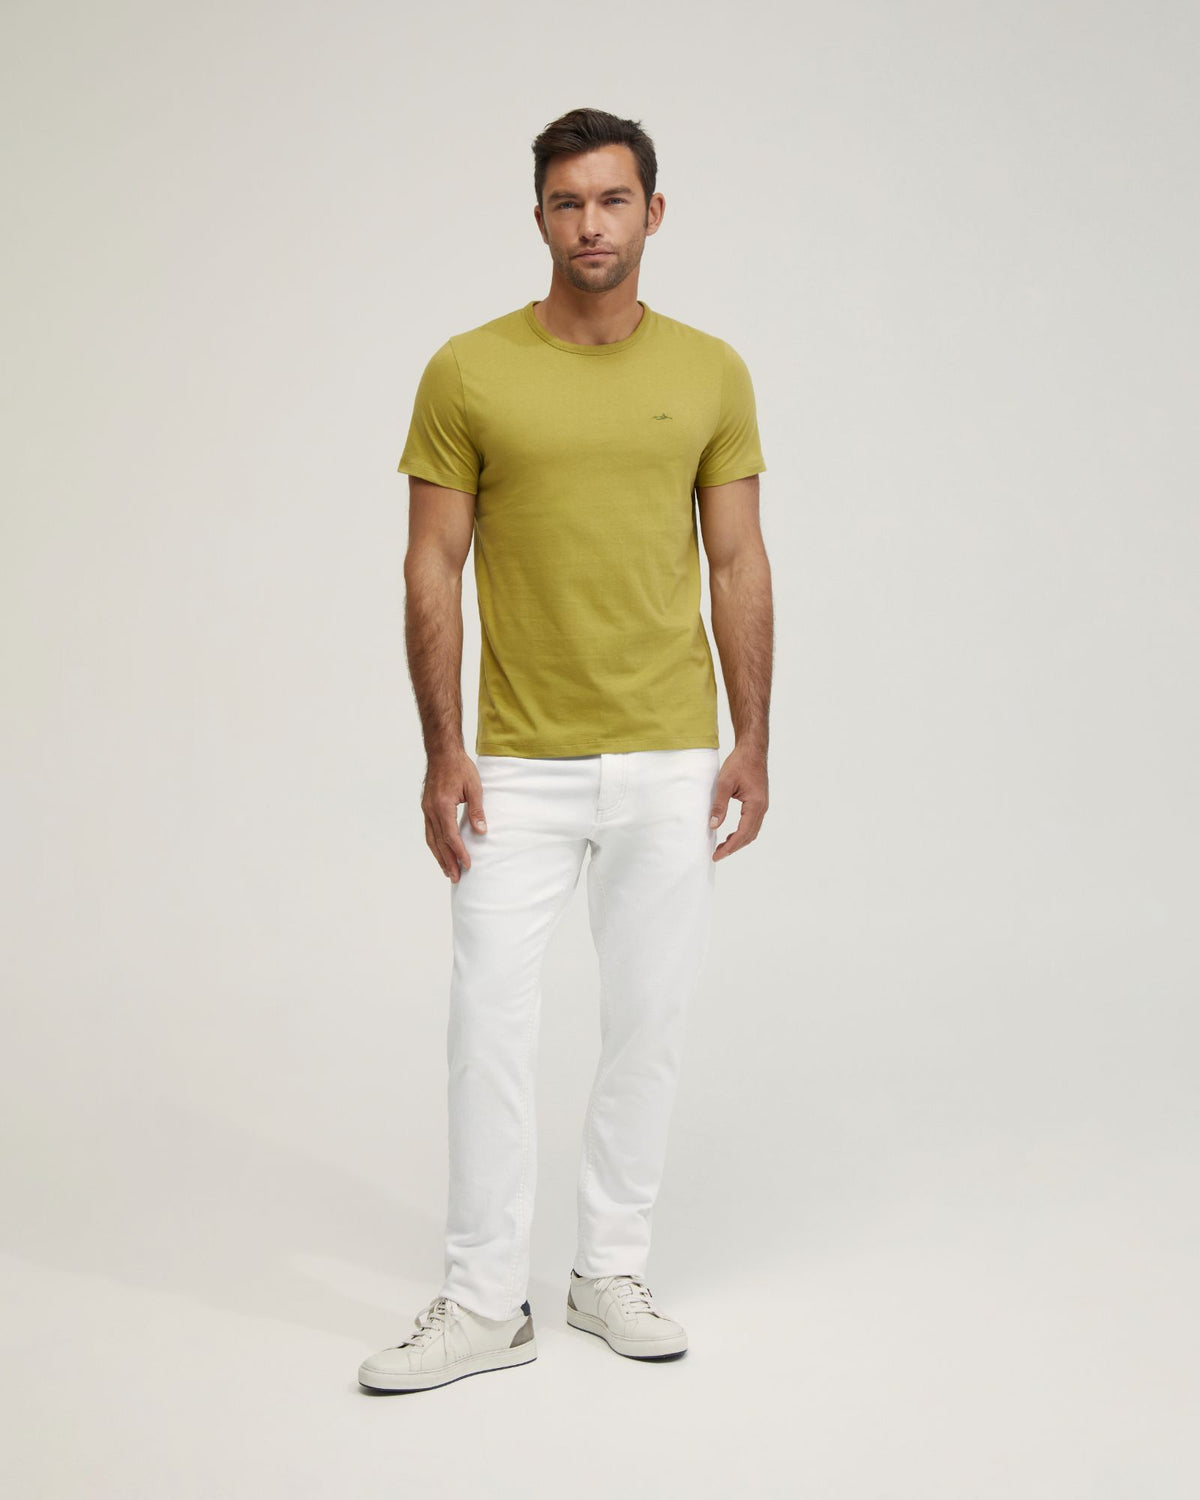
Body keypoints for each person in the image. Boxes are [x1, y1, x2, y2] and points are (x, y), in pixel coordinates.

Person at [358, 106, 774, 1394]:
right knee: (486, 1025)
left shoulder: (711, 371)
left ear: (654, 212)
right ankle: (487, 1301)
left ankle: (608, 1270)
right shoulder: (468, 371)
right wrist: (443, 752)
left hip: (668, 753)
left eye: (612, 199)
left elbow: (738, 560)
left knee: (647, 1022)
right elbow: (431, 566)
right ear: (537, 216)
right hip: (517, 765)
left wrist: (752, 739)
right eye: (566, 203)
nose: (590, 224)